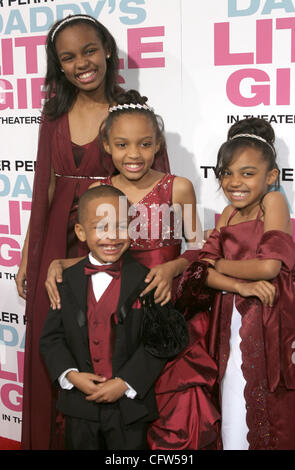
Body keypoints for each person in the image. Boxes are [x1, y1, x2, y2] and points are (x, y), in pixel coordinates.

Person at [16, 15, 170, 450]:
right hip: (56, 238)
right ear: (58, 66)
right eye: (68, 57)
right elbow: (44, 186)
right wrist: (31, 256)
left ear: (107, 50)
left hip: (112, 239)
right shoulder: (54, 116)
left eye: (88, 50)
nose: (81, 62)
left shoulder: (130, 112)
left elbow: (153, 186)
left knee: (116, 340)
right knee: (59, 339)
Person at [46, 90, 220, 449]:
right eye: (122, 145)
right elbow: (98, 253)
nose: (133, 154)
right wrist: (59, 263)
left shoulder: (178, 187)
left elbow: (201, 247)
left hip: (165, 304)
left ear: (157, 145)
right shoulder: (101, 189)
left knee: (171, 408)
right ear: (107, 146)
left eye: (144, 144)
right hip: (116, 316)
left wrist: (173, 266)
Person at [39, 184, 183, 450]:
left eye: (120, 226)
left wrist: (125, 382)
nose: (112, 237)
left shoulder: (149, 281)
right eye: (100, 227)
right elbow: (51, 339)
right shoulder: (65, 281)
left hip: (129, 408)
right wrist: (71, 375)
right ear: (81, 232)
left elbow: (163, 340)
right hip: (79, 408)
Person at [191, 117, 295, 450]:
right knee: (233, 398)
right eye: (227, 173)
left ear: (270, 177)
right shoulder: (226, 214)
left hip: (267, 317)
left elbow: (268, 266)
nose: (234, 182)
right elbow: (201, 272)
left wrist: (221, 266)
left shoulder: (273, 202)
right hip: (232, 315)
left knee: (268, 399)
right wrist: (240, 285)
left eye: (247, 173)